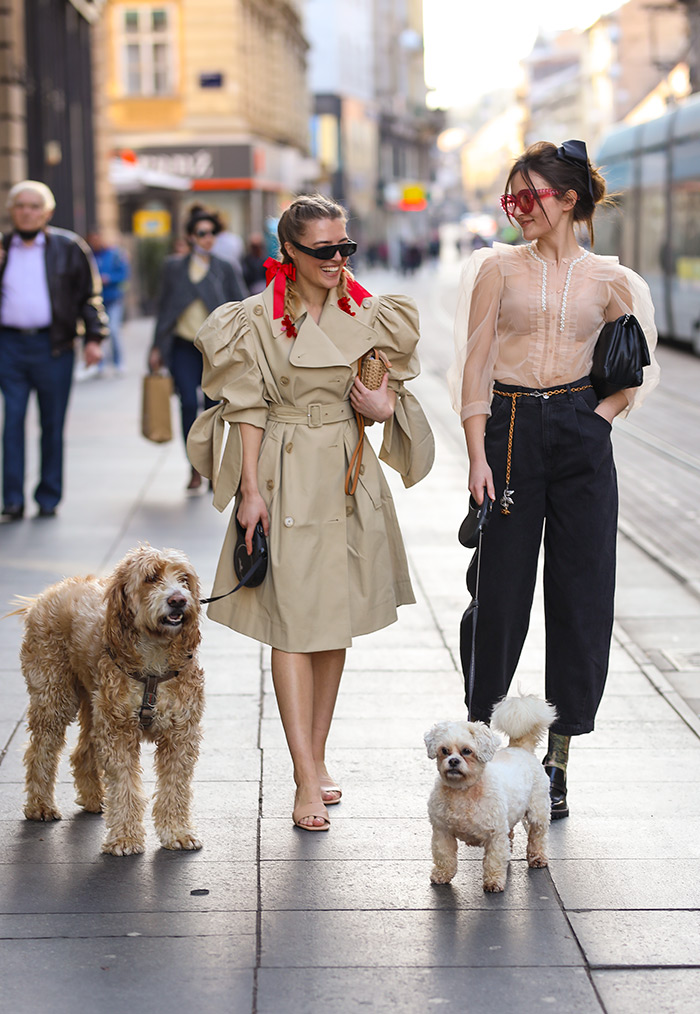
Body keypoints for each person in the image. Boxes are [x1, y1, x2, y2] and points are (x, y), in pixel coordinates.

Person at [187, 194, 434, 830]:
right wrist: (250, 492)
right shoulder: (252, 321)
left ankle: (317, 756)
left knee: (332, 623)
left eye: (344, 248)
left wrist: (381, 409)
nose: (337, 260)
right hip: (284, 468)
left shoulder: (372, 313)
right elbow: (245, 408)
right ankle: (302, 775)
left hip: (349, 475)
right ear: (288, 253)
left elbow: (389, 392)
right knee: (294, 624)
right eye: (323, 250)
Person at [447, 140, 660, 819]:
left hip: (580, 432)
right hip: (508, 430)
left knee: (581, 594)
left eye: (528, 195)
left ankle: (558, 762)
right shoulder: (496, 269)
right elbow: (475, 367)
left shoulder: (612, 280)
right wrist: (477, 456)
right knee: (499, 595)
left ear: (567, 200)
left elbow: (633, 371)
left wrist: (596, 419)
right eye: (511, 194)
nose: (516, 207)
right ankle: (482, 738)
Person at [0, 180, 108, 520]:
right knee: (12, 420)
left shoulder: (69, 247)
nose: (27, 212)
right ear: (11, 211)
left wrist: (94, 337)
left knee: (52, 423)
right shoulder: (2, 248)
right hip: (10, 346)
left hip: (55, 347)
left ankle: (48, 496)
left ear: (47, 212)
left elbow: (89, 295)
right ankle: (12, 500)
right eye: (21, 206)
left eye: (34, 206)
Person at [149, 206, 246, 491]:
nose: (208, 239)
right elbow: (164, 309)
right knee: (188, 404)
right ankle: (193, 467)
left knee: (212, 408)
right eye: (202, 233)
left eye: (212, 233)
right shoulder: (173, 267)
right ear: (190, 237)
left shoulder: (223, 268)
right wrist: (156, 347)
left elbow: (238, 305)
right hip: (181, 346)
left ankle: (212, 469)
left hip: (213, 350)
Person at [87, 230, 130, 376]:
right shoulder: (89, 255)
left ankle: (118, 363)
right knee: (99, 333)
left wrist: (109, 278)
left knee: (114, 331)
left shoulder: (115, 254)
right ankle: (100, 365)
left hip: (114, 299)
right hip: (97, 301)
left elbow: (124, 274)